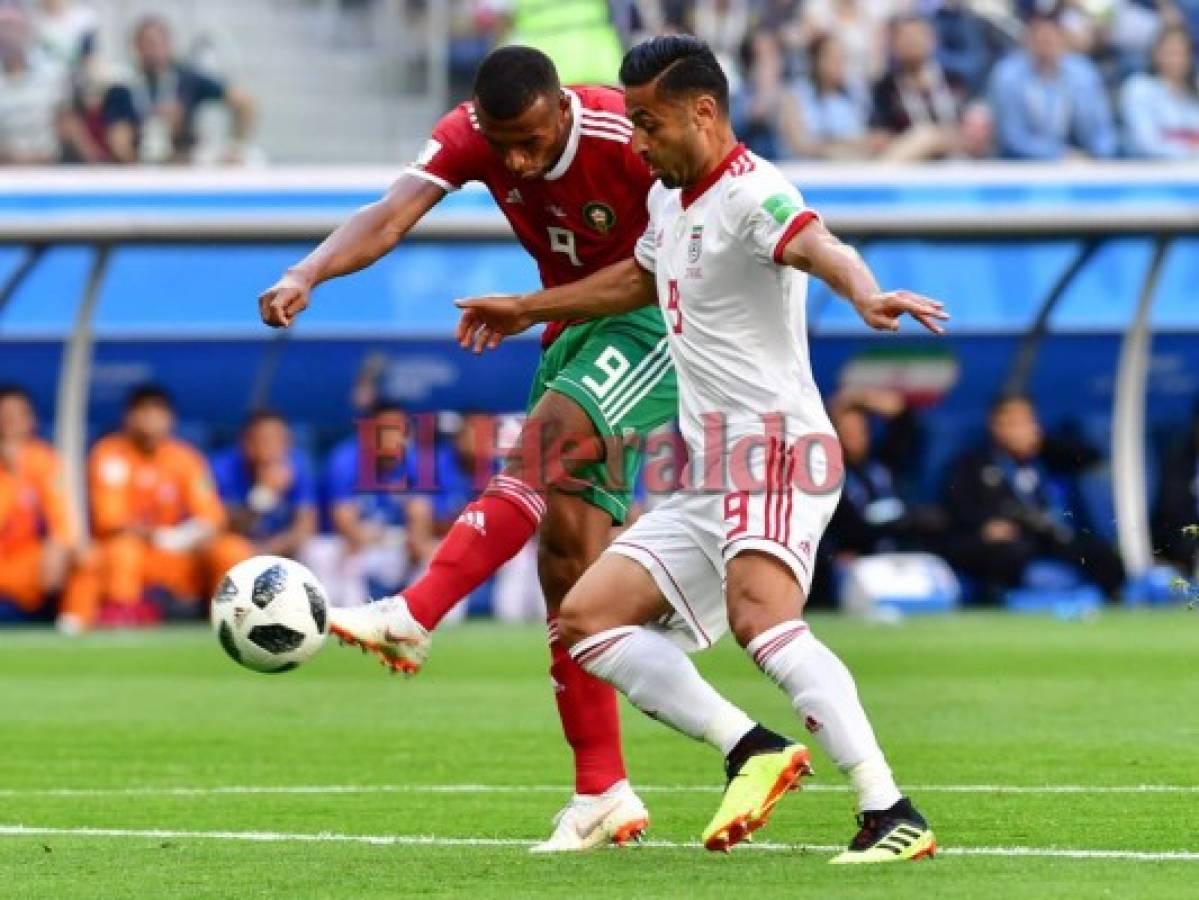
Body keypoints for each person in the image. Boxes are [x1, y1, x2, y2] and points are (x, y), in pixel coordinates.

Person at [258, 44, 790, 853]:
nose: (517, 159)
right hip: (571, 330)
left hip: (660, 320)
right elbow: (389, 214)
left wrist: (526, 303)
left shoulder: (624, 136)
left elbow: (668, 266)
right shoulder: (471, 134)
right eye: (503, 144)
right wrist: (308, 272)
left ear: (562, 110)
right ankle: (605, 791)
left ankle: (415, 611)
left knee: (534, 455)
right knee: (569, 569)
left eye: (533, 141)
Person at [456, 34, 944, 863]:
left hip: (776, 449)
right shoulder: (668, 202)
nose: (635, 143)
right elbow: (633, 281)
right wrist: (528, 307)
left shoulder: (754, 195)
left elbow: (816, 243)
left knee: (761, 620)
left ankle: (888, 810)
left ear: (703, 111)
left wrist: (865, 294)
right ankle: (752, 748)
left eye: (647, 124)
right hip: (707, 469)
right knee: (586, 619)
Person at [87, 385, 246, 627]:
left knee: (231, 548)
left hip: (181, 552)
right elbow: (111, 521)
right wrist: (160, 537)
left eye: (157, 412)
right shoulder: (109, 453)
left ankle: (234, 619)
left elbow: (211, 517)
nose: (150, 420)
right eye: (143, 411)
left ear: (171, 419)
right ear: (128, 417)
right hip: (135, 554)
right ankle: (124, 616)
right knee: (122, 549)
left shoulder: (186, 457)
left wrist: (188, 537)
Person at [941, 394, 1125, 601]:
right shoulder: (972, 464)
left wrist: (1043, 443)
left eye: (1027, 422)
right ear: (996, 426)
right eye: (1013, 423)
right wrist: (985, 526)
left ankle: (1115, 599)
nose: (1021, 430)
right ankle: (997, 600)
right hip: (999, 542)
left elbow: (1089, 457)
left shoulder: (1044, 457)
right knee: (1008, 552)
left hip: (1042, 536)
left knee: (1097, 551)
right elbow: (956, 508)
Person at [303, 402, 439, 609]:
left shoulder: (414, 462)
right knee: (334, 555)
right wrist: (377, 537)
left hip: (394, 546)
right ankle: (343, 620)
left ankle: (420, 620)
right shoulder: (346, 459)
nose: (393, 436)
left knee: (434, 555)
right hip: (349, 547)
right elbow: (346, 524)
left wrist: (416, 541)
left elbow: (421, 515)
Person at [0, 385, 93, 625]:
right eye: (4, 415)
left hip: (29, 560)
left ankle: (73, 626)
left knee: (84, 556)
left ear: (30, 421)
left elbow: (61, 515)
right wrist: (11, 473)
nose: (9, 423)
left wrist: (58, 544)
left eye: (17, 416)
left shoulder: (45, 460)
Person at [108, 15, 255, 163]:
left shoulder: (188, 78)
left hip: (184, 162)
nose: (153, 50)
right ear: (136, 46)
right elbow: (119, 138)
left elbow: (243, 102)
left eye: (158, 43)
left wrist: (235, 147)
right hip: (140, 162)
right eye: (147, 44)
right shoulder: (123, 85)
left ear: (169, 44)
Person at [988, 12, 1116, 160]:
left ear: (1062, 40)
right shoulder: (1007, 76)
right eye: (1040, 39)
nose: (1046, 46)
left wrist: (1099, 158)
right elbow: (1012, 137)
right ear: (1028, 41)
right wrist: (1058, 156)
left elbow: (1101, 129)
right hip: (1024, 165)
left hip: (1081, 163)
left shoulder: (1083, 73)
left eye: (1050, 39)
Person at [210, 411, 317, 561]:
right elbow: (224, 529)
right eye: (265, 440)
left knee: (314, 550)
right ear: (246, 443)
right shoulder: (223, 469)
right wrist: (264, 494)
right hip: (237, 550)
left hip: (277, 548)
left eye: (281, 440)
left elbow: (305, 526)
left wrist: (266, 551)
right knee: (228, 551)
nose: (274, 448)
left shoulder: (298, 466)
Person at [0, 2, 67, 164]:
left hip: (48, 162)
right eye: (3, 28)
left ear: (26, 31)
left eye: (14, 27)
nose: (8, 35)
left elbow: (64, 120)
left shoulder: (52, 71)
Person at [1121, 24, 1199, 159]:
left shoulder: (1193, 92)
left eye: (1182, 53)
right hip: (1154, 172)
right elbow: (1146, 144)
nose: (1177, 60)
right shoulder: (1139, 88)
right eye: (1171, 53)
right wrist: (1189, 152)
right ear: (1156, 54)